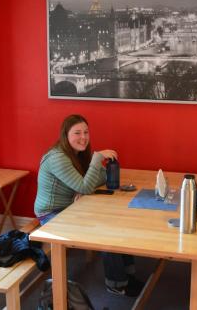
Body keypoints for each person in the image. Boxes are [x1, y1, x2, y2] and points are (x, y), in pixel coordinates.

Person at [34, 114, 144, 297]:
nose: (83, 137)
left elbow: (100, 178)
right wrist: (96, 159)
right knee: (103, 232)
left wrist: (87, 179)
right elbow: (85, 186)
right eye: (77, 133)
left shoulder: (76, 154)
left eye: (86, 132)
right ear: (65, 135)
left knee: (115, 223)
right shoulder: (57, 158)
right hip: (52, 214)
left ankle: (128, 275)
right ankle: (116, 283)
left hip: (71, 207)